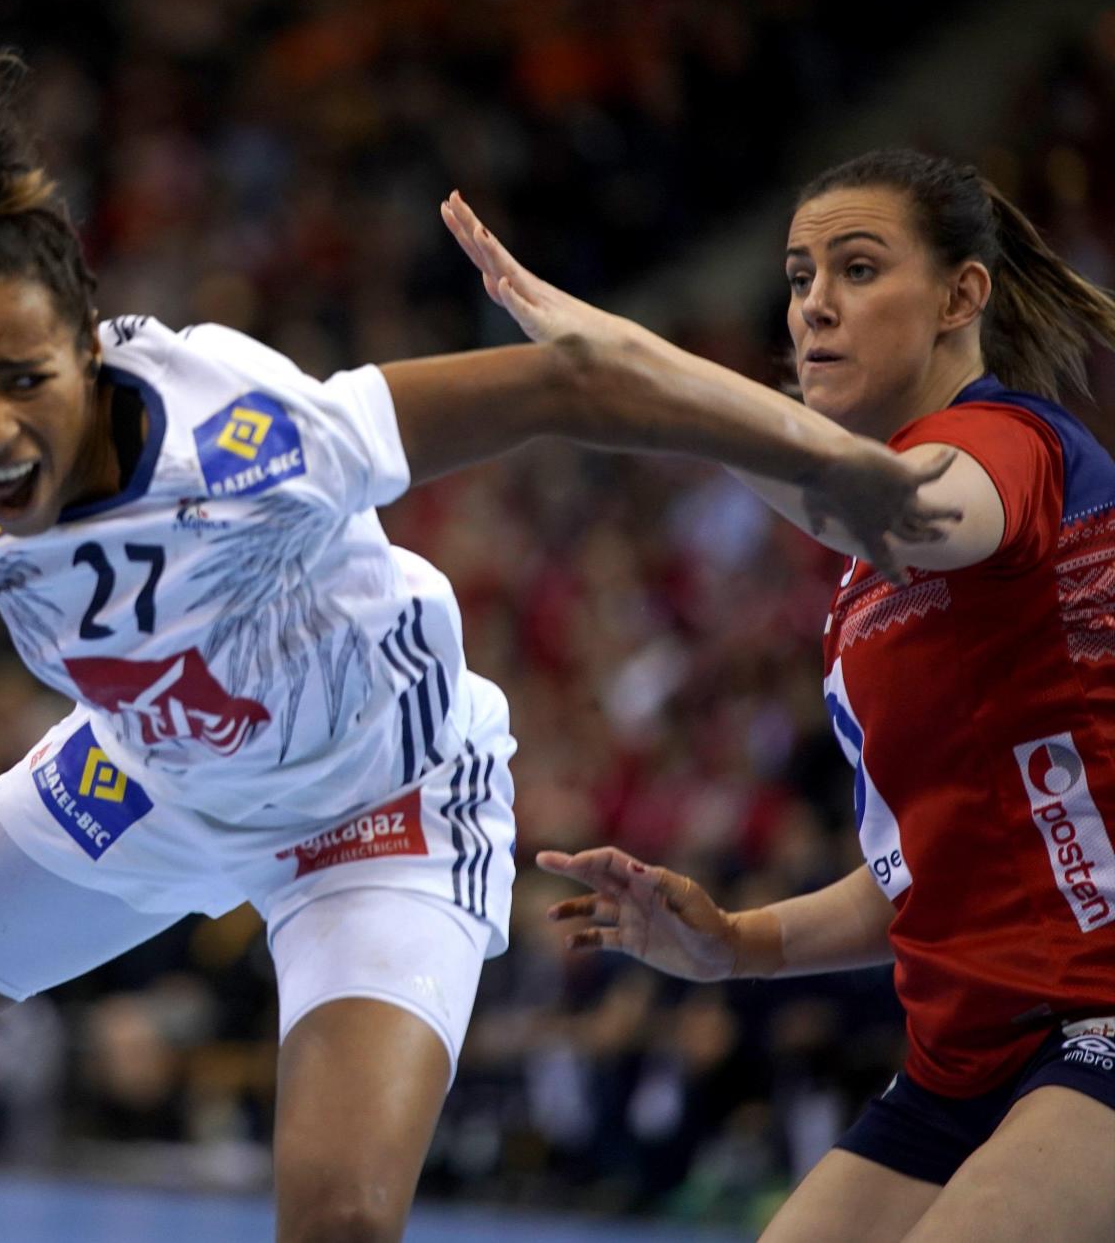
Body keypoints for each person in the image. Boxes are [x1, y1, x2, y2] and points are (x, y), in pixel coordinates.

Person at [0, 55, 948, 1243]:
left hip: (377, 813)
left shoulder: (246, 433)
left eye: (25, 377)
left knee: (336, 1224)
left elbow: (576, 384)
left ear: (90, 348)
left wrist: (843, 467)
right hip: (145, 782)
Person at [448, 150, 1115, 1241]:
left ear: (960, 296)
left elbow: (896, 505)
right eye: (799, 276)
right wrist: (734, 944)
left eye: (855, 270)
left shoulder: (1010, 449)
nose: (813, 305)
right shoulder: (857, 595)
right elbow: (923, 869)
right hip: (962, 1055)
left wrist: (646, 376)